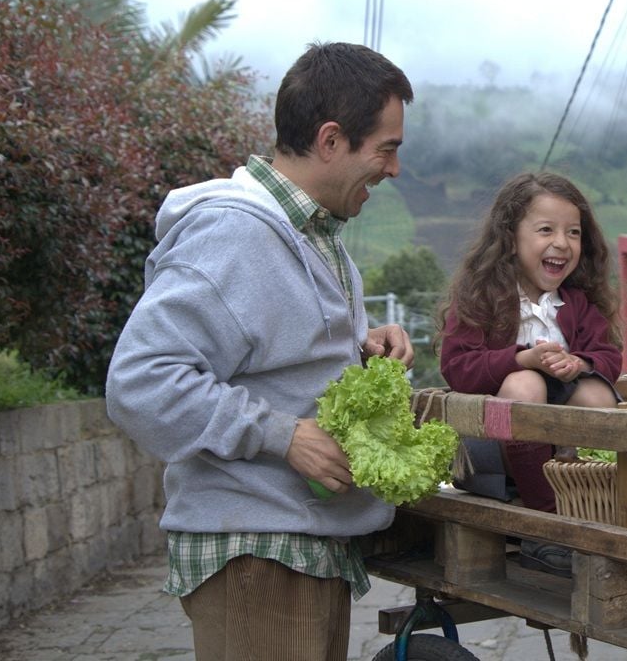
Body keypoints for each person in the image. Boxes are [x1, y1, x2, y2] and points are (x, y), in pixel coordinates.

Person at [105, 42, 414, 661]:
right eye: (386, 148)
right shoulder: (237, 232)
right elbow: (142, 380)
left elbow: (273, 351)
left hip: (295, 544)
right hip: (255, 549)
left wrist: (361, 348)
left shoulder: (312, 233)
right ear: (331, 140)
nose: (393, 169)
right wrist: (282, 436)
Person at [436, 172, 622, 575]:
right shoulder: (482, 297)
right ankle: (543, 527)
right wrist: (521, 360)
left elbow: (609, 355)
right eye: (545, 230)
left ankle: (590, 502)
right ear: (510, 237)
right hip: (493, 447)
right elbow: (457, 368)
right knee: (525, 383)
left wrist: (581, 364)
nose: (561, 242)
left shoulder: (577, 303)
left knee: (597, 394)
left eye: (573, 233)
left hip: (558, 447)